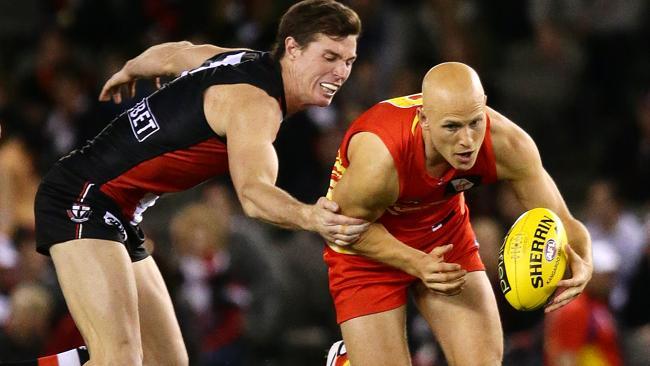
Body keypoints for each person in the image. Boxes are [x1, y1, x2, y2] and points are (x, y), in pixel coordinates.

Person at [33, 1, 367, 365]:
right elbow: (253, 195)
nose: (340, 72)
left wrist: (131, 68)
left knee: (167, 361)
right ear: (292, 48)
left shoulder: (244, 58)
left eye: (348, 61)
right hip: (81, 198)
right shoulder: (256, 106)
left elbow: (179, 53)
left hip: (118, 211)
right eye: (330, 56)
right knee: (119, 359)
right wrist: (311, 216)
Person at [324, 62, 593, 365]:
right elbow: (340, 227)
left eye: (475, 123)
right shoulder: (381, 159)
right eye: (452, 127)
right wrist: (415, 261)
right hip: (367, 249)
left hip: (444, 234)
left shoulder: (506, 143)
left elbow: (562, 219)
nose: (467, 141)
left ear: (485, 108)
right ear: (424, 118)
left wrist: (583, 259)